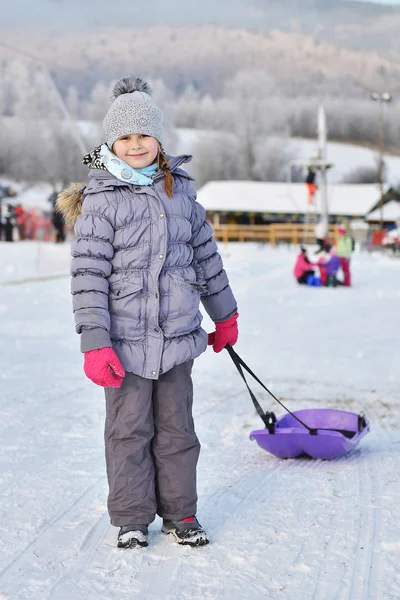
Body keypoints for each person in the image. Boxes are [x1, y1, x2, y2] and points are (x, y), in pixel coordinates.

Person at [56, 76, 238, 550]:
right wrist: (95, 342)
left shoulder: (181, 194)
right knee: (128, 432)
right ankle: (133, 517)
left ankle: (182, 513)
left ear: (159, 140)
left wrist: (225, 315)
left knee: (178, 431)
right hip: (124, 346)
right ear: (110, 142)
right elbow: (88, 278)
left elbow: (206, 259)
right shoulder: (100, 201)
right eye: (125, 137)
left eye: (144, 135)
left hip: (177, 340)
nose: (135, 145)